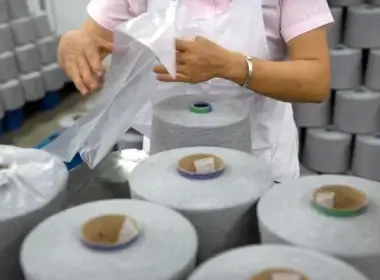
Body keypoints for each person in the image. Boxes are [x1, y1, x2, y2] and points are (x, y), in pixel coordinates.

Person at [58, 0, 333, 183]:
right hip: (167, 157)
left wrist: (232, 66)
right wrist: (75, 43)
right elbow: (91, 37)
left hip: (259, 160)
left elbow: (315, 80)